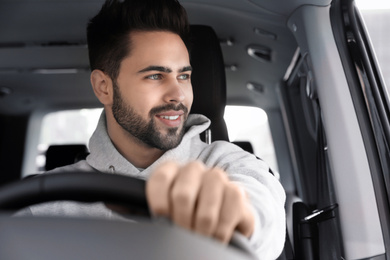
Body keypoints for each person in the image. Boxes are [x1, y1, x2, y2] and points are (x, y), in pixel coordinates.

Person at [17, 0, 286, 259]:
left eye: (184, 76)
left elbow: (261, 211)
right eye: (155, 76)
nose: (178, 95)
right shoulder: (44, 206)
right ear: (103, 87)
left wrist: (234, 219)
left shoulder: (228, 165)